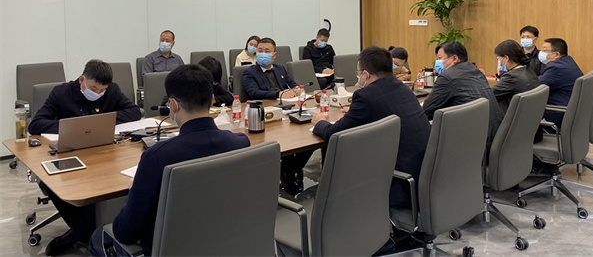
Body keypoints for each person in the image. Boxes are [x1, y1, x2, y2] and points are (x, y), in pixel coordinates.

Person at [89, 65, 250, 257]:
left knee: (98, 236)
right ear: (213, 99)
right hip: (228, 241)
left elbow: (126, 231)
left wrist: (134, 191)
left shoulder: (157, 157)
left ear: (173, 105)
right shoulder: (240, 142)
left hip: (170, 248)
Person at [28, 60, 141, 256]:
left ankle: (78, 234)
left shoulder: (113, 90)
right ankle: (85, 233)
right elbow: (36, 124)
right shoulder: (61, 93)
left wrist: (102, 122)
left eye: (102, 90)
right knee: (55, 183)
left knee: (110, 181)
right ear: (82, 79)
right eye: (94, 88)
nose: (98, 93)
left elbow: (134, 112)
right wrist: (72, 127)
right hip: (69, 153)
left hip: (103, 154)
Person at [312, 46, 430, 208]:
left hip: (398, 183)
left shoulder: (365, 96)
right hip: (424, 175)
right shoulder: (402, 87)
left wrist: (319, 121)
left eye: (358, 74)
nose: (359, 78)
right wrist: (356, 112)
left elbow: (334, 133)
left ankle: (332, 205)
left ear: (366, 75)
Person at [242, 38, 310, 195]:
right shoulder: (249, 72)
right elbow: (254, 93)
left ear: (274, 55)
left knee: (308, 135)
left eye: (267, 51)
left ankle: (290, 169)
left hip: (288, 110)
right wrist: (279, 94)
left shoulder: (280, 69)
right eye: (260, 50)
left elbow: (293, 84)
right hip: (266, 115)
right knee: (287, 139)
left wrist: (297, 89)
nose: (262, 54)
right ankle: (288, 171)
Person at [422, 41, 504, 150]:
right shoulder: (475, 71)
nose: (437, 62)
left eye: (440, 58)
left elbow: (425, 112)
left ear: (454, 58)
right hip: (494, 138)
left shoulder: (447, 77)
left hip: (471, 144)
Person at [538, 38, 583, 128]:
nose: (541, 53)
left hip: (557, 113)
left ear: (556, 54)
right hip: (571, 110)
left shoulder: (557, 68)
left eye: (544, 50)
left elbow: (534, 85)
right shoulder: (567, 61)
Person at [492, 40, 540, 114]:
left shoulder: (511, 77)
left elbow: (490, 95)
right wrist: (501, 75)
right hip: (528, 116)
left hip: (509, 117)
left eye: (498, 59)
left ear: (506, 58)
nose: (498, 62)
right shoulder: (528, 70)